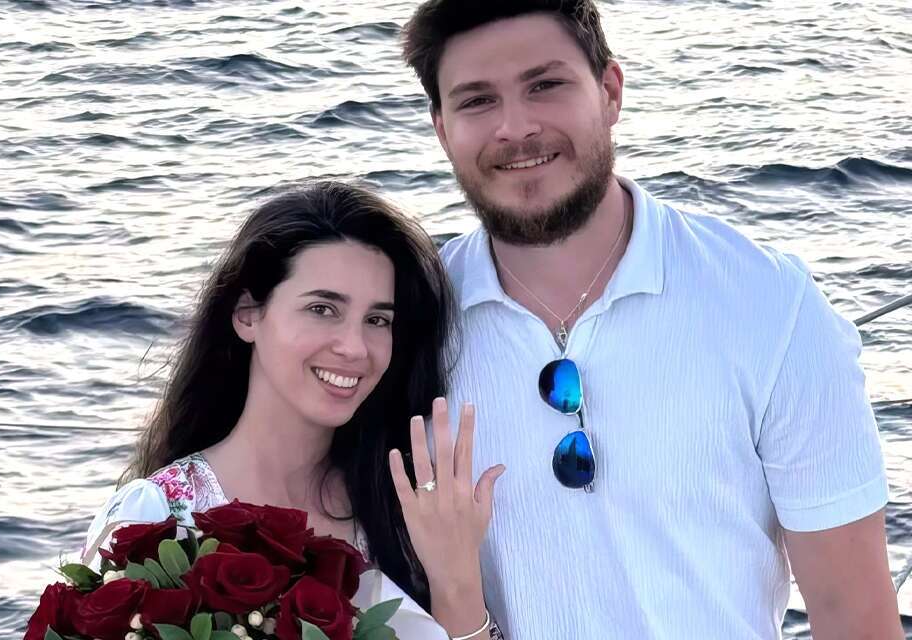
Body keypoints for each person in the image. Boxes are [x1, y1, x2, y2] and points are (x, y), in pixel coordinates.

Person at [401, 1, 902, 638]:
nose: (515, 127)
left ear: (610, 91)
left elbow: (852, 613)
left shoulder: (770, 307)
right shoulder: (408, 323)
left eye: (545, 85)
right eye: (477, 101)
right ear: (442, 129)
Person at [81, 181, 504, 640]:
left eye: (377, 320)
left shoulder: (406, 512)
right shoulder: (157, 518)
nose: (354, 347)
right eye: (322, 309)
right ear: (247, 314)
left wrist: (456, 581)